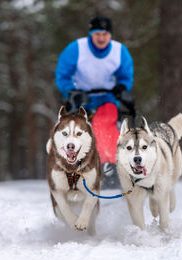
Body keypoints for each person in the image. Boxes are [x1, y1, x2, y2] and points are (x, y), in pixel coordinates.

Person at [55, 16, 134, 176]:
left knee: (104, 123)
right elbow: (62, 75)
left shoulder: (119, 51)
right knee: (76, 129)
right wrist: (71, 91)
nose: (101, 38)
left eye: (105, 34)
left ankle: (109, 165)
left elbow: (126, 76)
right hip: (80, 98)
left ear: (110, 35)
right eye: (97, 34)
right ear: (91, 34)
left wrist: (122, 88)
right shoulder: (76, 49)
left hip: (107, 98)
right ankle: (72, 165)